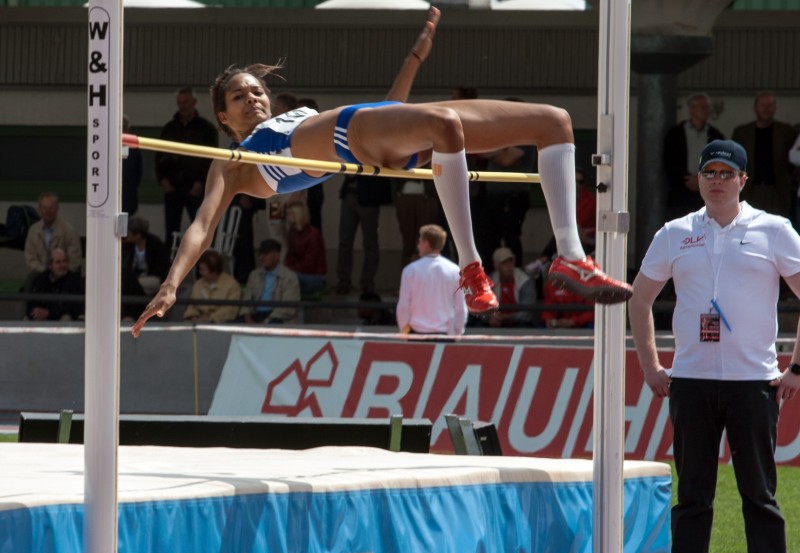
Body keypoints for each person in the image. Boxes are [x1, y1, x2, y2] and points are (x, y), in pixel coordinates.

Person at [132, 8, 631, 338]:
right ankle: (472, 266)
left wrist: (414, 58)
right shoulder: (233, 161)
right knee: (445, 123)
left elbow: (390, 112)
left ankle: (570, 257)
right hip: (352, 133)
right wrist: (174, 282)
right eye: (238, 97)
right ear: (223, 116)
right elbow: (202, 224)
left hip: (371, 133)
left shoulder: (293, 116)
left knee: (553, 122)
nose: (253, 98)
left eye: (256, 90)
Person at [628, 140, 799, 553]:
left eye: (727, 174)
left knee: (760, 497)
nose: (717, 181)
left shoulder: (775, 230)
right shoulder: (675, 232)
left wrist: (797, 368)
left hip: (754, 384)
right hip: (692, 383)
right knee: (692, 499)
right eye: (710, 173)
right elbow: (639, 298)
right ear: (698, 179)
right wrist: (650, 364)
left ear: (743, 180)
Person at [155, 87, 219, 242]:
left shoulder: (207, 129)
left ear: (194, 103)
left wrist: (202, 182)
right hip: (172, 187)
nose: (182, 106)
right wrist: (162, 180)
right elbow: (159, 156)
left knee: (200, 228)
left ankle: (202, 264)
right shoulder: (169, 128)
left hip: (195, 188)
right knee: (170, 231)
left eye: (186, 102)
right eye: (180, 103)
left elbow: (211, 159)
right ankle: (170, 265)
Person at [478, 100, 536, 265]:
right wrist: (499, 150)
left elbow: (506, 159)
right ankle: (489, 277)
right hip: (492, 196)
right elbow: (480, 151)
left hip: (512, 197)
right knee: (486, 238)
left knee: (511, 238)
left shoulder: (526, 135)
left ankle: (515, 276)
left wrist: (494, 152)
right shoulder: (500, 135)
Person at [731, 91, 798, 219]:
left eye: (770, 105)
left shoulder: (787, 132)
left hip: (777, 192)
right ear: (755, 108)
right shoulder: (741, 133)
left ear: (775, 108)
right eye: (762, 105)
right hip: (749, 191)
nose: (766, 108)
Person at [662, 92, 725, 221]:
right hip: (681, 192)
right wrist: (687, 180)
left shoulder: (715, 135)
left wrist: (703, 179)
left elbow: (722, 162)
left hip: (708, 192)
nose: (705, 110)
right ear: (691, 109)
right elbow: (669, 161)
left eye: (707, 107)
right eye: (701, 107)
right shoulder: (676, 133)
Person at [396, 224, 466, 336]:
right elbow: (460, 307)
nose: (418, 245)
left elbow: (404, 305)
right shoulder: (454, 270)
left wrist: (404, 331)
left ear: (426, 244)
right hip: (444, 335)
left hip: (416, 334)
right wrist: (458, 331)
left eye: (420, 242)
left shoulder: (410, 270)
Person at [335, 174, 389, 295]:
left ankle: (367, 282)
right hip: (349, 194)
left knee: (370, 243)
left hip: (370, 196)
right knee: (344, 241)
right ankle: (343, 281)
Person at [24, 192, 82, 287]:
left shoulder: (69, 231)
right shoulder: (33, 231)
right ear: (39, 209)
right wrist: (46, 272)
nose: (48, 211)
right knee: (30, 285)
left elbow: (74, 261)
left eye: (51, 208)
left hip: (65, 275)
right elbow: (30, 258)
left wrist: (59, 272)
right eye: (45, 208)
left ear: (57, 208)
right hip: (39, 274)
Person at [240, 239, 300, 324]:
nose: (262, 257)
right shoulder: (254, 275)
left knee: (274, 324)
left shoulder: (289, 277)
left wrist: (266, 321)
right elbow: (245, 301)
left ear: (277, 255)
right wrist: (248, 319)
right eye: (260, 254)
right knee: (231, 325)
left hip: (277, 317)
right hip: (255, 314)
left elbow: (288, 308)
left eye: (266, 254)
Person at [483, 247, 536, 328]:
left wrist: (506, 318)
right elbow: (482, 308)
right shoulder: (489, 281)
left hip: (518, 323)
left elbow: (527, 313)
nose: (509, 266)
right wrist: (491, 317)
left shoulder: (525, 280)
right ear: (496, 266)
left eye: (511, 261)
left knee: (524, 326)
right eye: (504, 262)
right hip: (496, 322)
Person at [182, 250, 241, 323]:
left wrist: (210, 319)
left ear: (214, 271)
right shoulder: (198, 284)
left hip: (221, 322)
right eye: (200, 269)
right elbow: (192, 305)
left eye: (203, 270)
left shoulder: (232, 285)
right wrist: (193, 316)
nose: (200, 273)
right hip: (198, 320)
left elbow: (230, 310)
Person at [27, 247, 84, 321]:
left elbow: (74, 308)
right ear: (50, 265)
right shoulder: (40, 280)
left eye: (64, 261)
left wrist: (49, 313)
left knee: (66, 318)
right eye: (58, 262)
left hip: (62, 320)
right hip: (42, 321)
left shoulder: (74, 281)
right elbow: (30, 304)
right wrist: (37, 312)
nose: (62, 265)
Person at [284, 197, 327, 295]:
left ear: (297, 215)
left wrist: (289, 271)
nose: (286, 217)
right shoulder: (292, 232)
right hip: (297, 272)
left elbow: (309, 264)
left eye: (289, 214)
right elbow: (289, 255)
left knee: (288, 280)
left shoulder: (313, 235)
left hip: (315, 277)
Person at [395, 178, 441, 267]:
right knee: (408, 242)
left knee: (427, 240)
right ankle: (408, 276)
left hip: (427, 196)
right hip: (404, 194)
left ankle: (426, 275)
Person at [122, 216, 171, 295]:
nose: (127, 235)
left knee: (132, 285)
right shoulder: (129, 246)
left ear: (138, 235)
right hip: (136, 276)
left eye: (129, 233)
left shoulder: (155, 244)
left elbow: (162, 267)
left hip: (153, 276)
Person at [297, 97, 326, 232]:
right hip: (299, 187)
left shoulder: (320, 131)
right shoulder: (298, 133)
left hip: (312, 189)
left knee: (312, 227)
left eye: (299, 111)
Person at [121, 114, 143, 216]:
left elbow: (138, 174)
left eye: (123, 127)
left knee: (125, 229)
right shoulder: (103, 147)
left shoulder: (134, 148)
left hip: (127, 200)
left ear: (128, 130)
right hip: (108, 201)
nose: (120, 131)